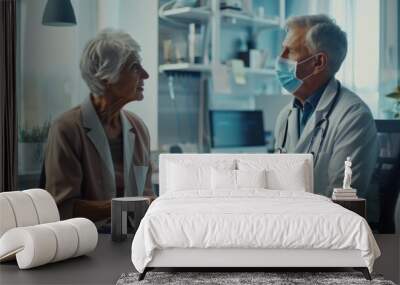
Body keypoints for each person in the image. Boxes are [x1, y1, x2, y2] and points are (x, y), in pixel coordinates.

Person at [44, 29, 155, 221]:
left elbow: (147, 198)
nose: (145, 75)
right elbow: (62, 207)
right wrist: (126, 206)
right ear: (107, 75)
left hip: (135, 240)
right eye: (134, 67)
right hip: (87, 242)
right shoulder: (66, 129)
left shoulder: (139, 128)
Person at [274, 14, 378, 197]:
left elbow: (343, 199)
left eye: (289, 51)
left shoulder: (353, 117)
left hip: (328, 223)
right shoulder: (286, 115)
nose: (280, 58)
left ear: (318, 62)